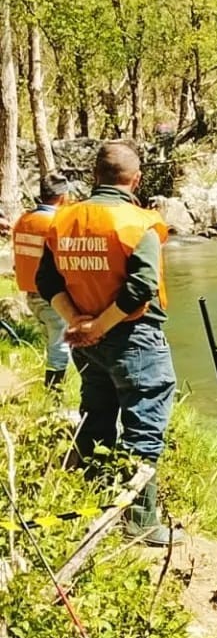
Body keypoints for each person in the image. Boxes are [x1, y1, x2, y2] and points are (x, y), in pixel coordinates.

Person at [36, 141, 178, 544]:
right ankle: (140, 520)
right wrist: (100, 323)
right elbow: (141, 288)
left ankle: (94, 499)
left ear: (95, 177)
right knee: (144, 425)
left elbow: (47, 281)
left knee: (96, 413)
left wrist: (77, 322)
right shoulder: (138, 223)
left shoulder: (62, 221)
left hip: (88, 342)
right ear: (135, 180)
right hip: (134, 338)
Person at [13, 174, 75, 388]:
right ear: (62, 196)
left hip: (30, 294)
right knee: (61, 344)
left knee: (52, 341)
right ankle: (55, 393)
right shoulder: (55, 224)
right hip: (51, 296)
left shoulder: (23, 220)